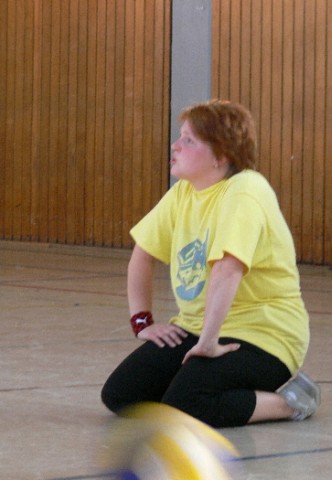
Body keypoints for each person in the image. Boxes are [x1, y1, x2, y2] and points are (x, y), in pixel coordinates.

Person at [101, 100, 320, 428]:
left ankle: (291, 401)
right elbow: (143, 254)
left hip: (263, 335)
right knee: (122, 395)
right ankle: (209, 383)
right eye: (180, 136)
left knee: (188, 404)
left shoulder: (245, 191)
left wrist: (208, 342)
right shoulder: (183, 193)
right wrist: (142, 321)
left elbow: (227, 269)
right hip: (195, 327)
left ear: (221, 156)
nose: (175, 145)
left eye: (189, 140)